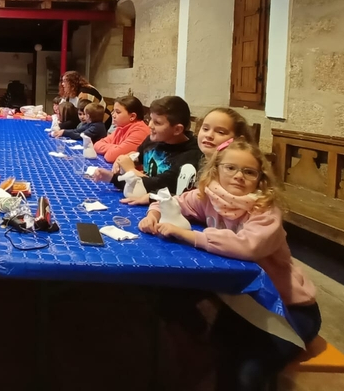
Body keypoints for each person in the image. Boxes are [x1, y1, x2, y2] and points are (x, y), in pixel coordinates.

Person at [138, 140, 319, 391]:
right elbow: (173, 202)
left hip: (285, 308)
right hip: (242, 301)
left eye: (249, 172)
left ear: (260, 179)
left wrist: (191, 235)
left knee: (248, 372)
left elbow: (249, 245)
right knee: (213, 347)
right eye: (230, 168)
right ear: (216, 170)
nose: (239, 176)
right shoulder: (210, 196)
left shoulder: (265, 210)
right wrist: (153, 214)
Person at [93, 96, 200, 203]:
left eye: (157, 122)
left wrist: (130, 171)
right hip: (142, 196)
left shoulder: (189, 156)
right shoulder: (153, 140)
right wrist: (116, 171)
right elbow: (137, 157)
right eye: (150, 119)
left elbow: (162, 186)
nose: (149, 125)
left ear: (177, 129)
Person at [92, 95, 150, 163]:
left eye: (118, 112)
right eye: (113, 111)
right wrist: (116, 147)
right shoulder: (121, 127)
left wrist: (114, 149)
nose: (113, 115)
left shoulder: (140, 131)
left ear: (132, 116)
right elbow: (96, 145)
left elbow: (111, 156)